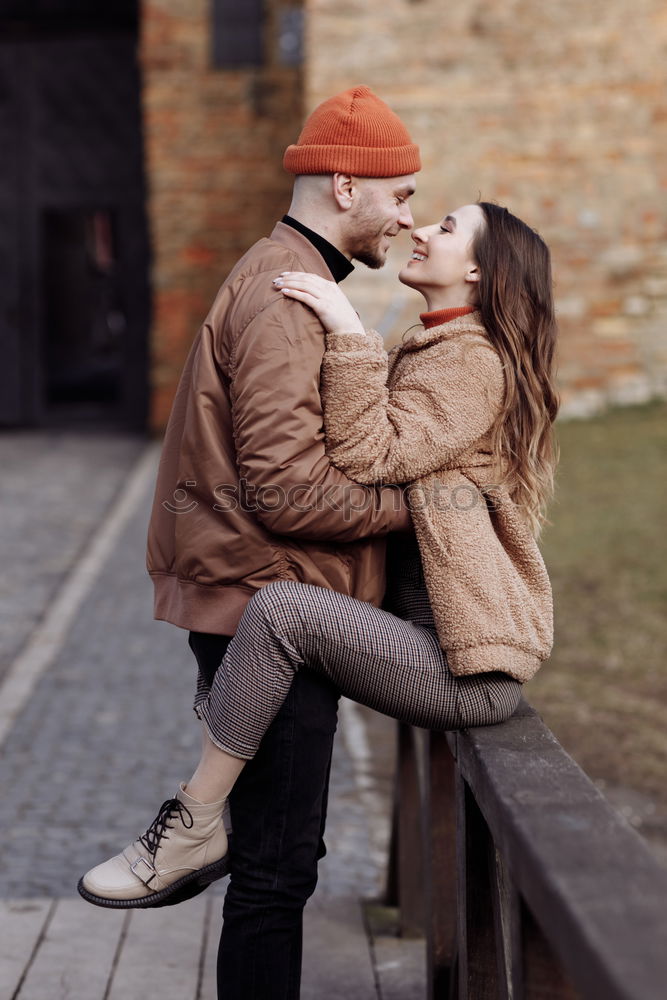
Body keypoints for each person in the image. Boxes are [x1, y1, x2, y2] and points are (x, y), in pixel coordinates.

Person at [79, 198, 558, 939]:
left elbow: (370, 456)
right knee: (267, 640)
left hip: (468, 669)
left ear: (476, 269)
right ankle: (221, 813)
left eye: (446, 227)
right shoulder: (433, 345)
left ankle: (193, 823)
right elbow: (377, 463)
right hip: (432, 646)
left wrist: (344, 330)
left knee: (281, 611)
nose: (418, 227)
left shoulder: (473, 360)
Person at [78, 86, 420, 998]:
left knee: (276, 859)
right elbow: (286, 488)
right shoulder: (282, 300)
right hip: (266, 607)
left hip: (264, 600)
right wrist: (424, 503)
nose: (409, 215)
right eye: (402, 193)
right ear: (347, 187)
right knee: (273, 873)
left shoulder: (288, 278)